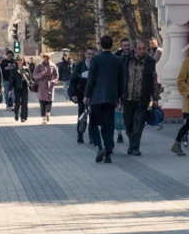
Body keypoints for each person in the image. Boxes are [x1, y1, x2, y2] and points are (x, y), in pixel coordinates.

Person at [85, 35, 124, 164]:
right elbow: (121, 80)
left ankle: (99, 146)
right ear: (112, 45)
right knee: (108, 126)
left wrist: (86, 95)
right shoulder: (118, 60)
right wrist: (119, 97)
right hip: (111, 98)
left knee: (94, 124)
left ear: (101, 45)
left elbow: (91, 79)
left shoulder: (96, 59)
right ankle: (108, 154)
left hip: (96, 98)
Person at [121, 40, 161, 156]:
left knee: (138, 124)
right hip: (127, 97)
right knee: (128, 123)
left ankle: (135, 147)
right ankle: (131, 143)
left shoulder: (150, 62)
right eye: (139, 49)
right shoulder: (126, 60)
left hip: (142, 98)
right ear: (134, 49)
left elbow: (154, 80)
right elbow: (120, 78)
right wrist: (118, 96)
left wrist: (155, 98)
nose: (142, 51)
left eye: (143, 49)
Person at [69, 46, 95, 144]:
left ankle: (92, 136)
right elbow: (73, 81)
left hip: (94, 95)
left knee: (93, 116)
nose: (90, 56)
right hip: (82, 95)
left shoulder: (97, 65)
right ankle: (80, 134)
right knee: (82, 115)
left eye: (92, 54)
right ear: (85, 54)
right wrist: (73, 94)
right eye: (89, 54)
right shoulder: (79, 66)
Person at [33, 54, 58, 124]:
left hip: (50, 86)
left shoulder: (53, 65)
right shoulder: (39, 66)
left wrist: (54, 81)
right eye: (44, 58)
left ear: (49, 58)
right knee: (42, 103)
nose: (46, 59)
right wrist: (41, 74)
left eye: (47, 58)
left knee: (49, 103)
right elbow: (34, 75)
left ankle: (48, 113)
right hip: (42, 86)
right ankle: (43, 118)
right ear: (43, 58)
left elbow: (56, 75)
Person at [10, 56, 32, 122]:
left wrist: (30, 85)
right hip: (17, 87)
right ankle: (16, 113)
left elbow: (30, 78)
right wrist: (10, 88)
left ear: (23, 61)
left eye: (21, 60)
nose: (20, 61)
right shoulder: (14, 69)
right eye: (18, 60)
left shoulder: (26, 69)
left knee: (24, 102)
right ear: (16, 61)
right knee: (17, 102)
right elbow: (11, 79)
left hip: (25, 87)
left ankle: (23, 117)